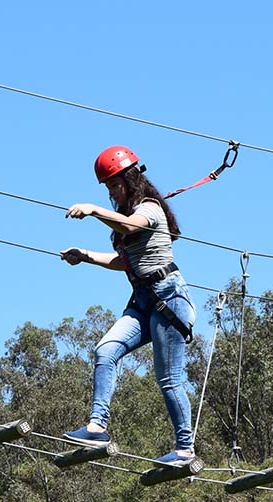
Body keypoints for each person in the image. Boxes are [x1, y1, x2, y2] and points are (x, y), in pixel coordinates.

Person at [60, 145, 197, 466]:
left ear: (131, 180)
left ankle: (185, 449)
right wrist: (86, 256)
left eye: (113, 185)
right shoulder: (124, 216)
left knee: (169, 379)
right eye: (107, 188)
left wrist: (93, 210)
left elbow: (131, 227)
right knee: (105, 351)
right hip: (142, 300)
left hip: (169, 299)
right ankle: (97, 427)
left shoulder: (149, 209)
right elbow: (125, 261)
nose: (111, 192)